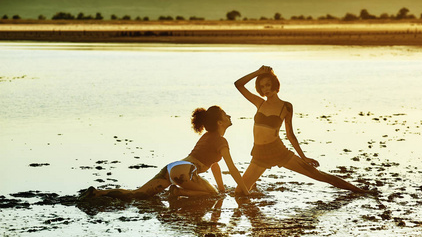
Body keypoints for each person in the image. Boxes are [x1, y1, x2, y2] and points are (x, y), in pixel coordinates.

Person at [234, 66, 368, 195]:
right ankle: (253, 209)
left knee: (318, 175)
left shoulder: (286, 107)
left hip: (277, 151)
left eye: (268, 85)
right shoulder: (260, 103)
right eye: (262, 86)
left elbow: (290, 135)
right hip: (259, 153)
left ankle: (360, 191)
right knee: (239, 192)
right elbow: (238, 84)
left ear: (274, 84)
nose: (265, 89)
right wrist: (258, 72)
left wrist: (303, 157)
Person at [81, 106, 250, 200]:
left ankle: (97, 192)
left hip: (172, 168)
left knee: (137, 194)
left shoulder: (208, 137)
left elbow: (214, 165)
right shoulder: (221, 141)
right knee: (211, 194)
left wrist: (222, 188)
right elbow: (232, 168)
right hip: (186, 171)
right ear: (220, 122)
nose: (229, 115)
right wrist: (245, 192)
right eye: (225, 114)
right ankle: (178, 192)